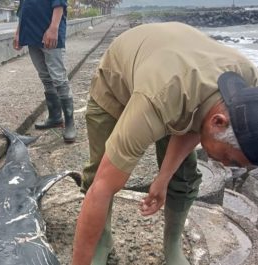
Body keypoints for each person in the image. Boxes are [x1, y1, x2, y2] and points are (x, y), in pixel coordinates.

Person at [71, 22, 258, 265]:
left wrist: (163, 179)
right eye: (230, 159)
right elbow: (102, 188)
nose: (226, 166)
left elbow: (198, 121)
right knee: (101, 173)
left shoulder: (249, 86)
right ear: (219, 122)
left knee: (184, 176)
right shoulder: (159, 99)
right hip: (118, 80)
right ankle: (102, 240)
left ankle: (172, 245)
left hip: (174, 71)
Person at [13, 0, 76, 143]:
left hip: (49, 33)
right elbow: (23, 9)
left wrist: (53, 28)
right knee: (45, 77)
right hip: (31, 34)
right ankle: (55, 117)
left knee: (59, 78)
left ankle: (70, 123)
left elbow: (59, 4)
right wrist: (18, 33)